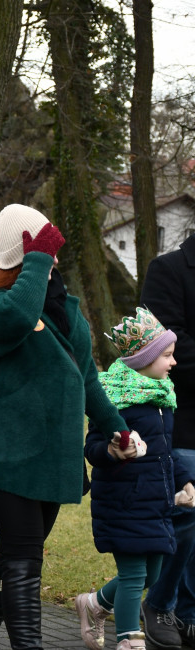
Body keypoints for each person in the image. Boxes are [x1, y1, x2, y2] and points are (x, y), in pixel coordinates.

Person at [0, 203, 130, 650]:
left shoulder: (62, 306)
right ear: (25, 251)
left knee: (14, 554)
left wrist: (117, 428)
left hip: (52, 456)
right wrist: (33, 260)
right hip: (4, 451)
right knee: (24, 558)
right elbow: (17, 314)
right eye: (42, 247)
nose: (53, 257)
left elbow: (86, 375)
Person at [75, 308, 194, 650]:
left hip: (157, 504)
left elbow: (166, 452)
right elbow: (93, 446)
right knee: (133, 577)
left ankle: (95, 603)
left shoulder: (161, 398)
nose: (173, 363)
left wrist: (185, 482)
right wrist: (112, 452)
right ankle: (129, 640)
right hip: (124, 502)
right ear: (145, 358)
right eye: (167, 356)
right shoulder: (113, 400)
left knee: (152, 576)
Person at [140, 228, 195, 649]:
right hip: (183, 421)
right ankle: (158, 604)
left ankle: (188, 615)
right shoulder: (169, 270)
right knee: (184, 516)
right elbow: (162, 347)